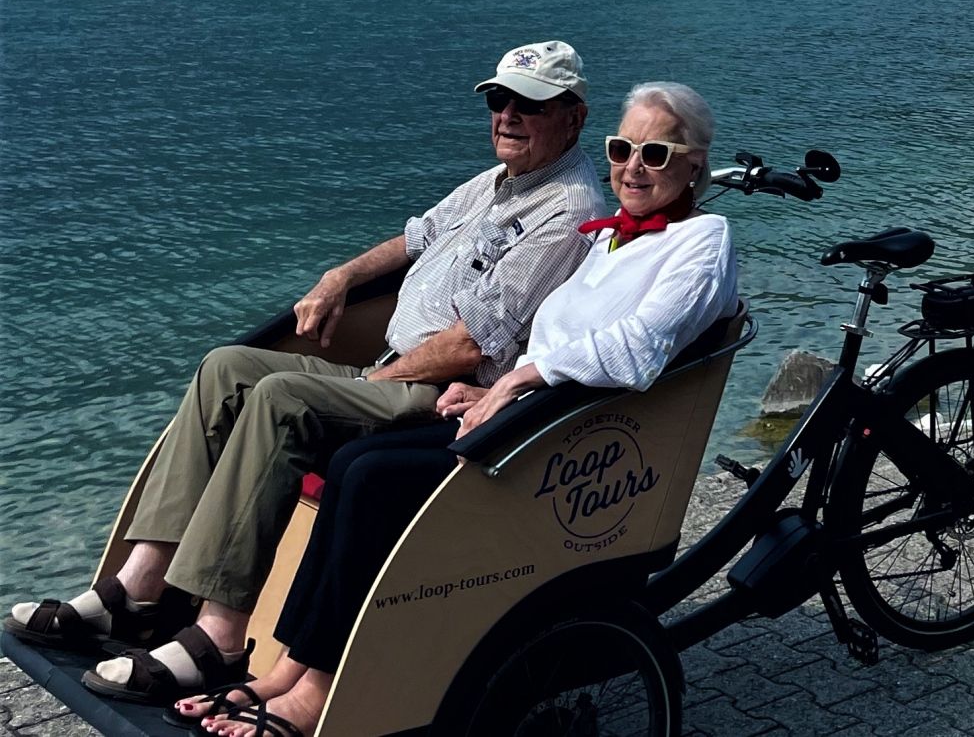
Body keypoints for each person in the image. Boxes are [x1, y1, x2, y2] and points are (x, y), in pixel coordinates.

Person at [5, 41, 604, 707]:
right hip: (395, 367)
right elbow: (416, 237)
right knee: (224, 366)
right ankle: (139, 586)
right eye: (500, 100)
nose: (508, 116)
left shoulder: (565, 211)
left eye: (531, 105)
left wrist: (369, 383)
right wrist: (338, 276)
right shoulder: (500, 182)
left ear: (573, 117)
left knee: (282, 394)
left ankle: (219, 635)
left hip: (441, 394)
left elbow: (468, 346)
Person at [179, 82, 736, 737]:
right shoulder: (611, 239)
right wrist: (491, 388)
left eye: (657, 153)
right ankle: (288, 668)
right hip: (529, 420)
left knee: (371, 479)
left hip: (563, 442)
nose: (633, 166)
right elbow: (555, 337)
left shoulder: (702, 240)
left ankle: (316, 691)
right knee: (356, 460)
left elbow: (637, 347)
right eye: (623, 148)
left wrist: (520, 380)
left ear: (695, 163)